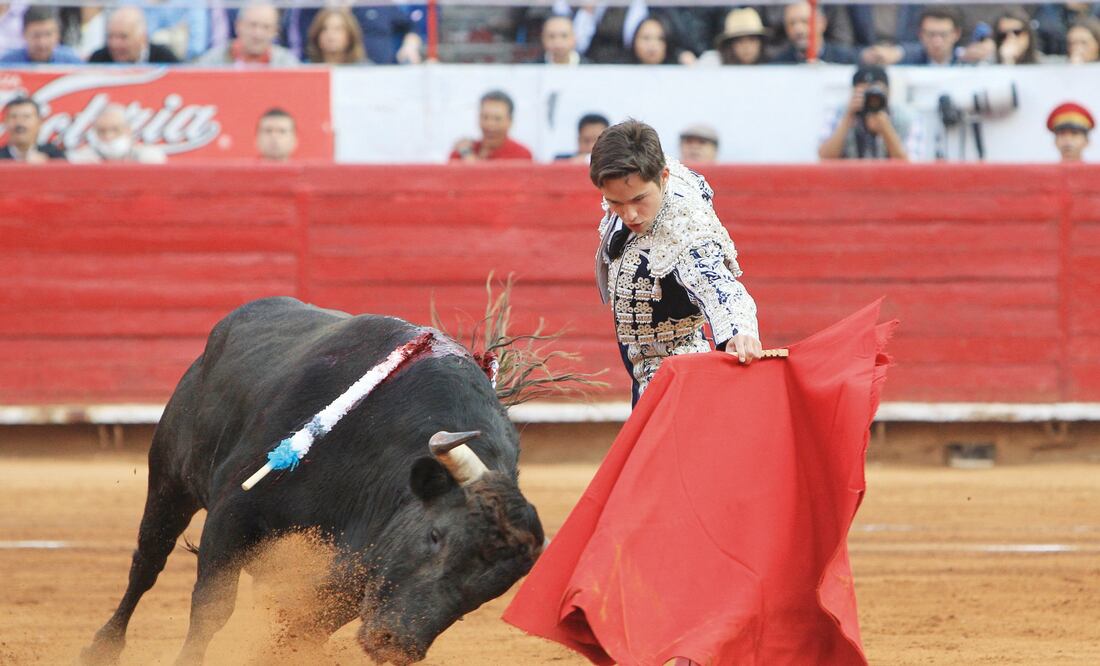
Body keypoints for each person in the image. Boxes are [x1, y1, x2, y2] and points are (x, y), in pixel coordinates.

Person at [591, 119, 761, 405]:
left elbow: (717, 283)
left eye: (638, 199)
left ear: (664, 177)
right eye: (615, 203)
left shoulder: (683, 225)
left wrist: (739, 331)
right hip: (648, 370)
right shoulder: (646, 166)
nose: (630, 215)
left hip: (677, 375)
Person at [818, 64, 919, 161]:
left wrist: (886, 130)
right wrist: (847, 119)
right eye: (865, 93)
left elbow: (909, 166)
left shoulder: (905, 117)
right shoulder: (841, 113)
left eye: (876, 93)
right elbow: (825, 158)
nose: (871, 99)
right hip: (849, 176)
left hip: (891, 178)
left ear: (888, 92)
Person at [194, 2, 299, 66]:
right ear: (238, 26)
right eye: (253, 25)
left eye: (266, 27)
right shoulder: (212, 62)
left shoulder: (287, 64)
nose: (258, 34)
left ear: (275, 31)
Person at [449, 90, 533, 162]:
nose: (490, 124)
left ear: (510, 121)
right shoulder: (460, 153)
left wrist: (467, 155)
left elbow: (488, 178)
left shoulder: (521, 155)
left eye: (497, 119)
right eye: (485, 117)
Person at [67, 104, 167, 164]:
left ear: (128, 130)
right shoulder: (82, 158)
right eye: (102, 131)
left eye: (115, 130)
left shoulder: (149, 156)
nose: (108, 136)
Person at [868, 7, 965, 66]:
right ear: (920, 34)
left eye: (943, 35)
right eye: (931, 34)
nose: (937, 41)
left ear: (956, 34)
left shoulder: (967, 62)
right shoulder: (907, 60)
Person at [772, 1, 859, 64]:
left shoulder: (846, 59)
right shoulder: (778, 64)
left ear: (822, 23)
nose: (798, 30)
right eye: (791, 23)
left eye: (805, 21)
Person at [88, 6, 180, 64]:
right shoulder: (98, 60)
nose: (115, 44)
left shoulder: (165, 59)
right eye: (110, 36)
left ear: (143, 38)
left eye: (123, 37)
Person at [0, 6, 82, 64]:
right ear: (24, 35)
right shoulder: (8, 65)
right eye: (36, 35)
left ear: (58, 34)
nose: (42, 43)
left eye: (48, 34)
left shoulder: (72, 64)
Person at [0, 96, 66, 162]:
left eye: (26, 117)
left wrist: (46, 166)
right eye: (14, 117)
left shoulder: (54, 155)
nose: (19, 123)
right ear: (5, 122)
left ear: (39, 122)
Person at [699, 8, 767, 65]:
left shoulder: (771, 69)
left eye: (752, 40)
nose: (746, 46)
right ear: (729, 44)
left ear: (760, 43)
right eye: (739, 41)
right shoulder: (712, 62)